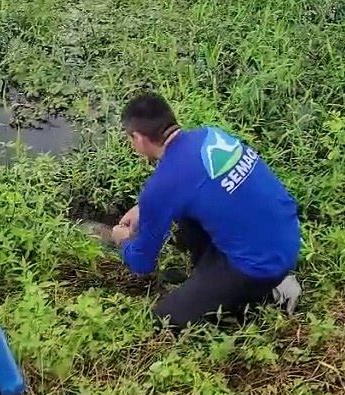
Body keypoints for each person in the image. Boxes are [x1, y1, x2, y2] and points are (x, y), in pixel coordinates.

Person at [111, 92, 301, 329]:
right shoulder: (210, 135)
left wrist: (122, 240)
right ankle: (213, 279)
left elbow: (142, 262)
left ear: (138, 138)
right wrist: (144, 208)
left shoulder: (163, 185)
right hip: (288, 235)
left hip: (261, 266)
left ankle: (261, 295)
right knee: (189, 215)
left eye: (130, 139)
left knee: (165, 320)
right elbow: (196, 183)